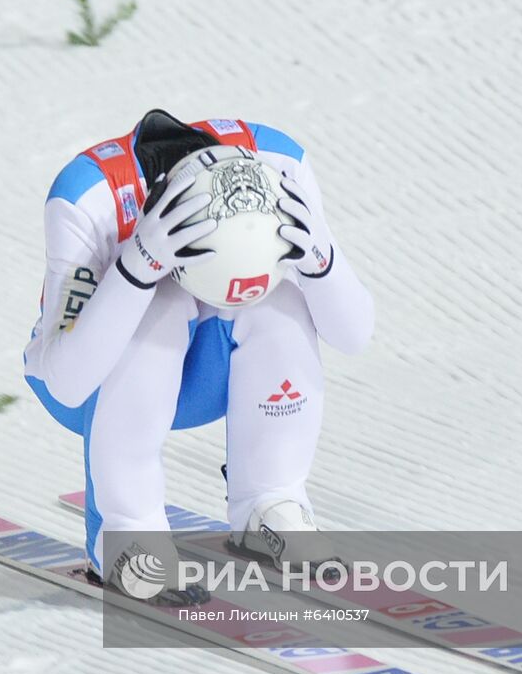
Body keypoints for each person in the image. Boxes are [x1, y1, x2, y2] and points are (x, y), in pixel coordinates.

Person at [24, 109, 374, 603]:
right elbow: (66, 380)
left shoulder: (278, 163)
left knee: (283, 299)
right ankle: (127, 531)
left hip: (208, 365)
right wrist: (138, 266)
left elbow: (354, 334)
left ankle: (270, 500)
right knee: (158, 303)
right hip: (95, 379)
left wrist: (322, 260)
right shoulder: (89, 193)